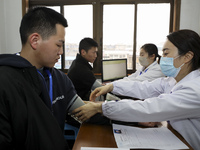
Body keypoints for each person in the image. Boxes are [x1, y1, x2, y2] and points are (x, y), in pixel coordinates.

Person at [72, 29, 200, 149]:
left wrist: (100, 107)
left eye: (166, 53)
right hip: (176, 139)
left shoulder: (194, 90)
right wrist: (112, 86)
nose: (163, 59)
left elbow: (150, 107)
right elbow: (143, 87)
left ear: (187, 57)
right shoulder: (173, 80)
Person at [0, 7, 84, 150]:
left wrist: (106, 109)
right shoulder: (5, 82)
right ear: (35, 40)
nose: (61, 52)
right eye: (58, 45)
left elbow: (82, 110)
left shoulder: (58, 78)